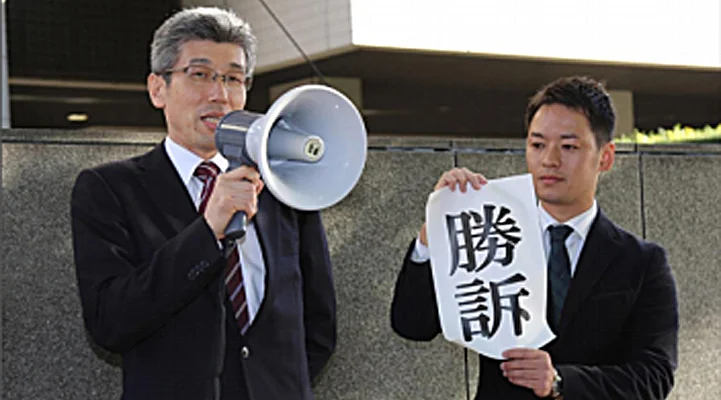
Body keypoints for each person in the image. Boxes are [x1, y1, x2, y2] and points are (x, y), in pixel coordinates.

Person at [71, 7, 335, 400]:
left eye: (233, 78)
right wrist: (207, 231)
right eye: (200, 74)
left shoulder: (281, 186)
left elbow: (319, 326)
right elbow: (110, 322)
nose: (220, 94)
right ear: (158, 89)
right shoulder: (109, 189)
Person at [390, 76, 678, 399]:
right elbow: (412, 325)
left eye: (568, 147)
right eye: (537, 145)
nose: (549, 160)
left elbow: (654, 377)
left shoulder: (642, 262)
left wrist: (559, 381)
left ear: (605, 157)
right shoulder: (489, 238)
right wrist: (435, 230)